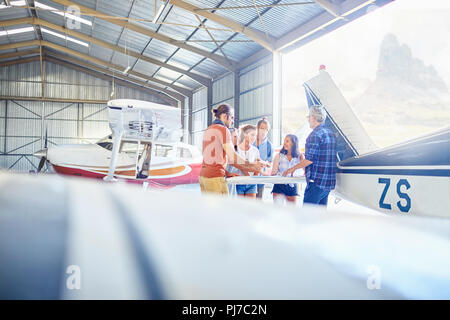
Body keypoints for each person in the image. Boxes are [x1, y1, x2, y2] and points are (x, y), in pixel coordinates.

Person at [199, 104, 265, 195]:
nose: (233, 121)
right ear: (225, 116)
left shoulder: (208, 129)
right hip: (215, 178)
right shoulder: (223, 130)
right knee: (222, 209)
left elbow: (212, 159)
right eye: (232, 117)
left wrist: (226, 172)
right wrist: (252, 165)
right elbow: (233, 158)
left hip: (204, 177)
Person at [282, 105, 337, 206]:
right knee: (320, 216)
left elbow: (309, 160)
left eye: (309, 117)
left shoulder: (315, 135)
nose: (308, 120)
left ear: (314, 118)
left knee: (307, 217)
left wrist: (291, 169)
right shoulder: (330, 134)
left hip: (316, 183)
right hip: (328, 183)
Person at [271, 134, 304, 204]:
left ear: (293, 143)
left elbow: (305, 171)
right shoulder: (278, 155)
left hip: (292, 185)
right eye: (284, 141)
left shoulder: (300, 156)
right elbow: (273, 173)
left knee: (291, 212)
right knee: (277, 211)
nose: (284, 143)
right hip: (279, 185)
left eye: (287, 141)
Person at [230, 125, 261, 198]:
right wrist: (249, 176)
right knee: (240, 207)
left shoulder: (255, 150)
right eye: (252, 135)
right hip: (239, 182)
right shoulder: (236, 149)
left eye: (255, 135)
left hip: (252, 184)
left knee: (250, 207)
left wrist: (253, 180)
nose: (254, 138)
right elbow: (241, 166)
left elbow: (258, 167)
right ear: (245, 134)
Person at [253, 117, 273, 199]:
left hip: (260, 179)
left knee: (258, 200)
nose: (264, 131)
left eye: (266, 129)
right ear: (257, 128)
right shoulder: (251, 141)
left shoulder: (269, 145)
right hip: (248, 176)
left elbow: (270, 163)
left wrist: (263, 164)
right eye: (262, 128)